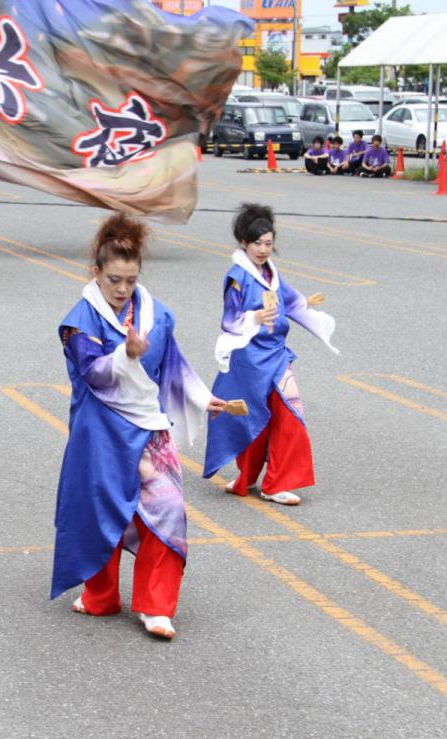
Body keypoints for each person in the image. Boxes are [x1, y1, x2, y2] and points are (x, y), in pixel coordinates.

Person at [53, 213, 226, 641]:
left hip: (150, 432)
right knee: (102, 511)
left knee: (167, 511)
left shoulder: (156, 313)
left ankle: (156, 606)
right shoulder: (80, 320)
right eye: (114, 279)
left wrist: (204, 398)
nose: (122, 288)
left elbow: (173, 365)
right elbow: (93, 374)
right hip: (101, 434)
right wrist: (126, 356)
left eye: (130, 279)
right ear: (96, 273)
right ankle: (100, 596)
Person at [203, 204, 338, 507]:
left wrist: (305, 303)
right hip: (249, 359)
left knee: (290, 413)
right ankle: (247, 476)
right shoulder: (237, 277)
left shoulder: (270, 273)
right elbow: (230, 320)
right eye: (257, 243)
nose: (263, 249)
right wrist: (253, 318)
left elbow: (289, 298)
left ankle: (277, 483)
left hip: (276, 356)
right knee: (252, 417)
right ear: (243, 243)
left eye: (268, 243)